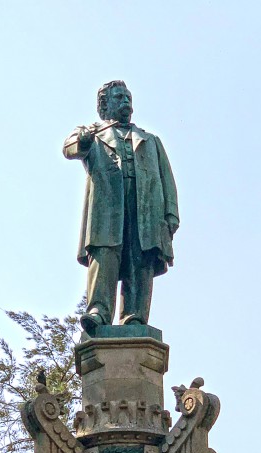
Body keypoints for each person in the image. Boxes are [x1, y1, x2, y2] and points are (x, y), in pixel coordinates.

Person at [63, 80, 179, 335]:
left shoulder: (150, 140)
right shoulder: (92, 135)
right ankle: (99, 312)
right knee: (105, 256)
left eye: (128, 97)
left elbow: (167, 180)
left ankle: (135, 316)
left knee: (140, 259)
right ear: (104, 105)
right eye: (119, 97)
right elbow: (69, 148)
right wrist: (83, 139)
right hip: (107, 209)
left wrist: (170, 214)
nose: (126, 102)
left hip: (146, 210)